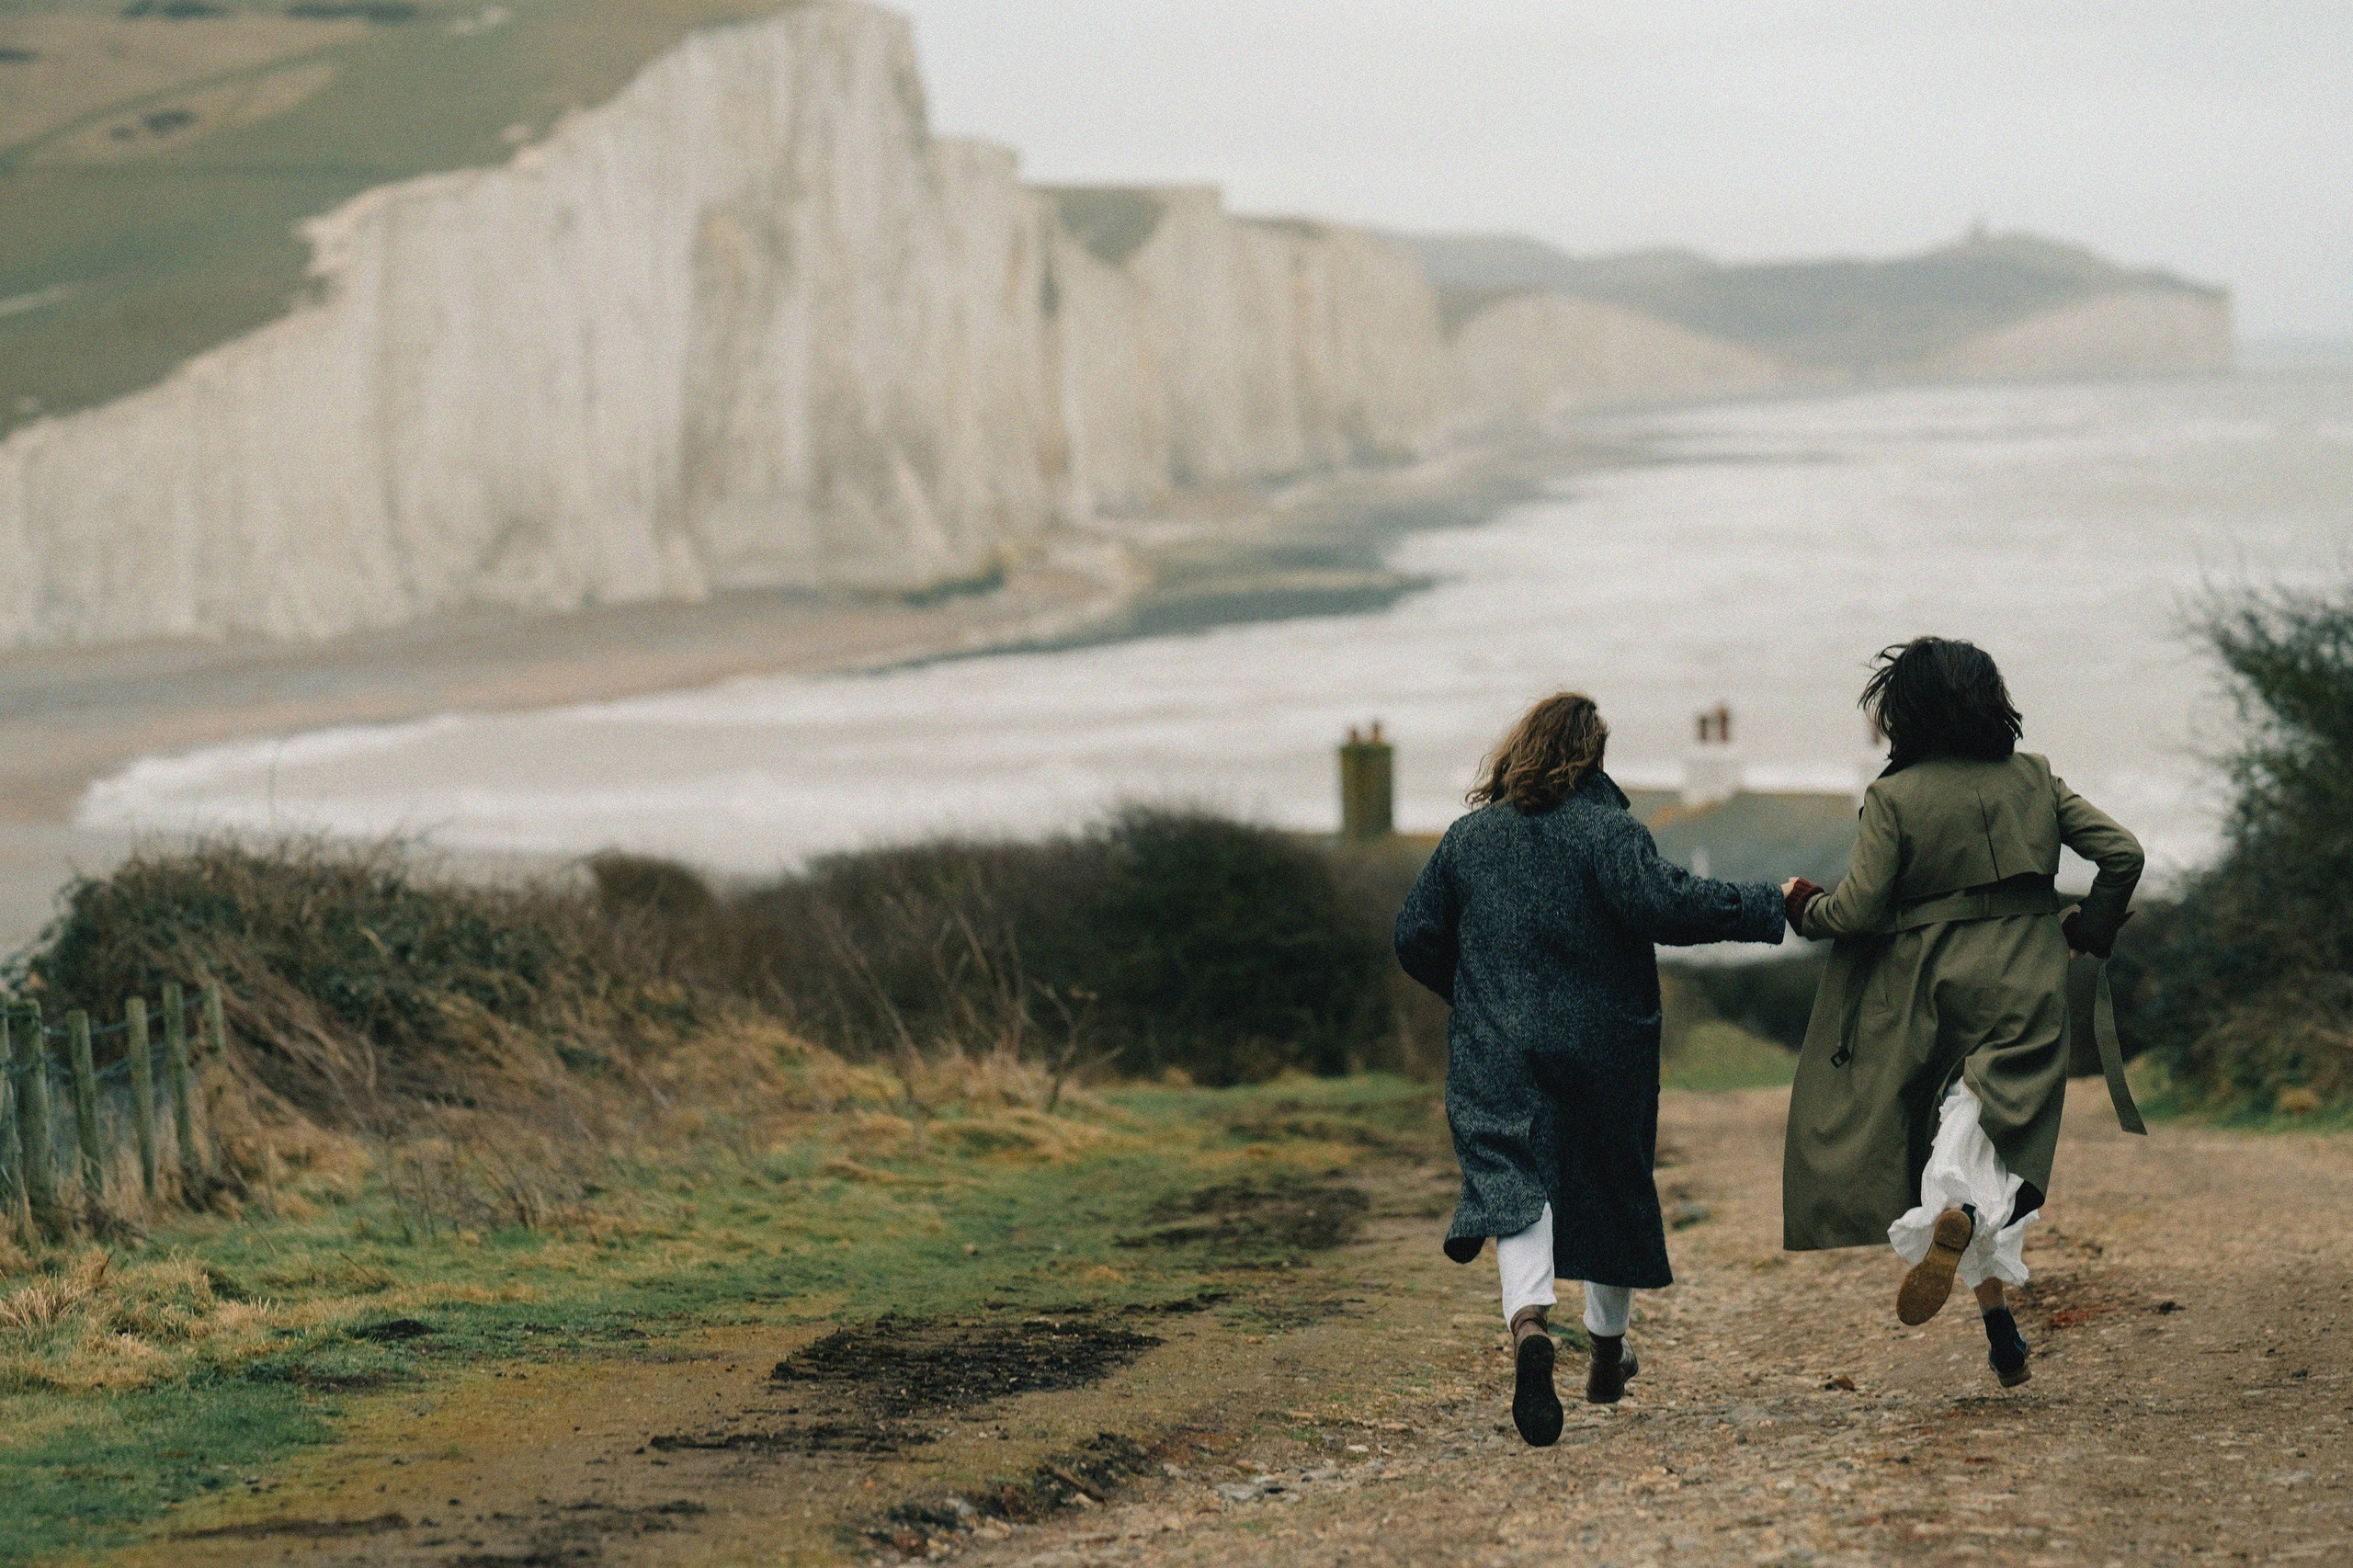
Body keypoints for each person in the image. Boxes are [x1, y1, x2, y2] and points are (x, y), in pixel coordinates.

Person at [1394, 691, 1789, 1447]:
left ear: (1521, 750)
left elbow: (1415, 935)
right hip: (1603, 1045)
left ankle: (1530, 1329)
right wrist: (1772, 905)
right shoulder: (1609, 831)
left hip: (1496, 1042)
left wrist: (1475, 993)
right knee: (1609, 1180)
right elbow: (1672, 907)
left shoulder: (1467, 839)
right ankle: (1606, 1351)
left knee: (1515, 1182)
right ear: (1592, 758)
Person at [1780, 637, 2145, 1388]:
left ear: (1904, 712)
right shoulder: (2036, 779)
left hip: (1928, 988)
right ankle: (1984, 1291)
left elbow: (1853, 912)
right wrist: (2089, 929)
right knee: (1984, 1131)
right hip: (2028, 980)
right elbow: (2124, 853)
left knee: (1954, 1135)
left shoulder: (1894, 798)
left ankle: (1983, 1295)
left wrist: (1800, 906)